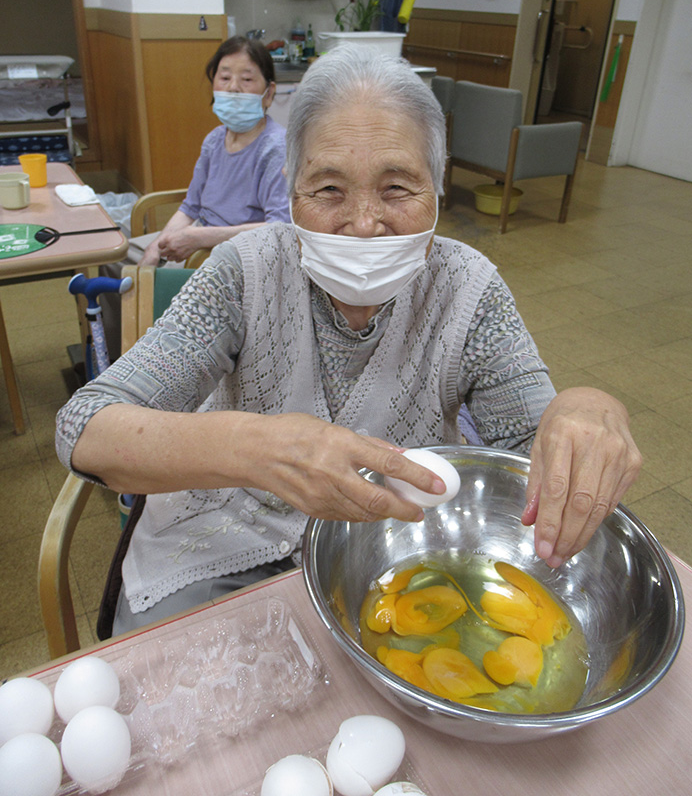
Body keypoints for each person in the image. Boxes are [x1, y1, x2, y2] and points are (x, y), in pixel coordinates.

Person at [56, 46, 642, 636]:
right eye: (329, 189)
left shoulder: (467, 286)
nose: (364, 223)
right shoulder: (243, 271)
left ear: (437, 187)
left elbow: (534, 458)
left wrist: (585, 407)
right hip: (223, 537)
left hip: (394, 554)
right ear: (292, 192)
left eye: (397, 188)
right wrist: (258, 450)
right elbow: (85, 426)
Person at [100, 36, 290, 355]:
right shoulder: (215, 140)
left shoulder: (275, 147)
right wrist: (157, 248)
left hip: (237, 254)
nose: (233, 88)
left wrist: (197, 239)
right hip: (199, 237)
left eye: (246, 80)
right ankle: (121, 355)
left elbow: (277, 228)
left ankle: (161, 358)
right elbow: (190, 207)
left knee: (155, 282)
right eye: (225, 77)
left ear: (268, 93)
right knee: (115, 258)